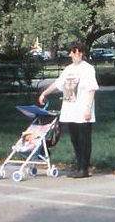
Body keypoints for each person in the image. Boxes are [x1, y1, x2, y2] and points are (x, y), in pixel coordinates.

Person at [38, 41, 98, 178]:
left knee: (84, 139)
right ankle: (78, 166)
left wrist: (88, 109)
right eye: (71, 52)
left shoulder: (88, 69)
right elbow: (58, 84)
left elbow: (91, 89)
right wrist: (44, 93)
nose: (71, 55)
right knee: (74, 138)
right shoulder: (68, 69)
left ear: (80, 52)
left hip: (83, 109)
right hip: (70, 109)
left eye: (74, 52)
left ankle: (84, 168)